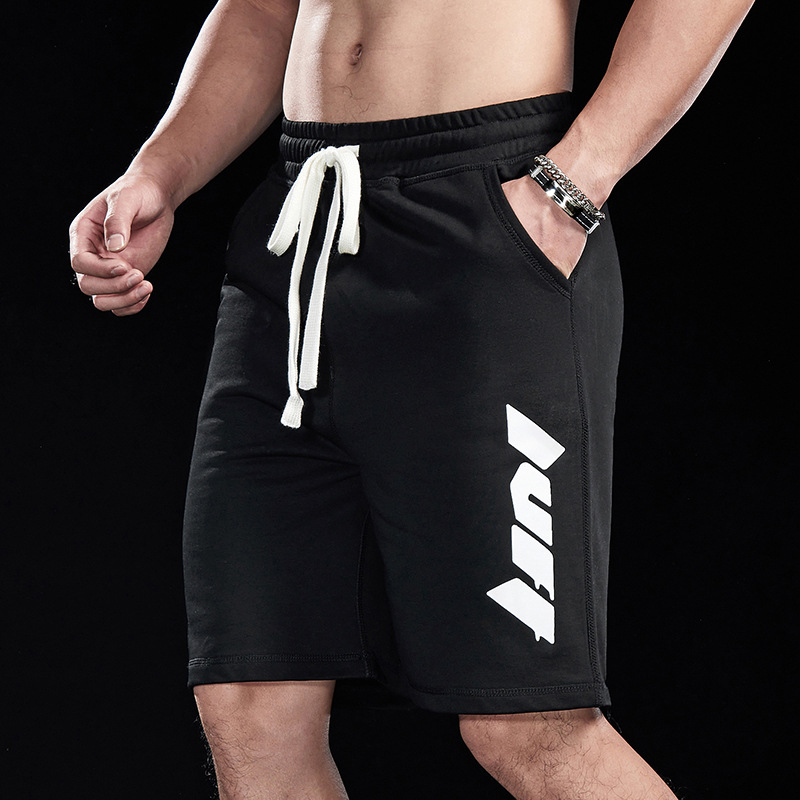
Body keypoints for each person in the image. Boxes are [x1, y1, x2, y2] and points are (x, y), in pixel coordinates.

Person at [69, 1, 754, 797]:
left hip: (485, 220)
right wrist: (159, 171)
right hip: (300, 238)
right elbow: (261, 8)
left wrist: (575, 181)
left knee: (530, 727)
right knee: (251, 709)